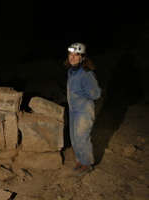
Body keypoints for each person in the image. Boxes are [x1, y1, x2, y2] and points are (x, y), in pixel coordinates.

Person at [64, 42, 101, 175]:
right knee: (74, 137)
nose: (72, 57)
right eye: (70, 54)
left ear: (83, 57)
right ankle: (81, 160)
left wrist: (84, 97)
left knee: (82, 137)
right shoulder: (72, 71)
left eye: (76, 55)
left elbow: (96, 93)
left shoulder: (86, 73)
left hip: (83, 110)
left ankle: (87, 164)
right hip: (73, 109)